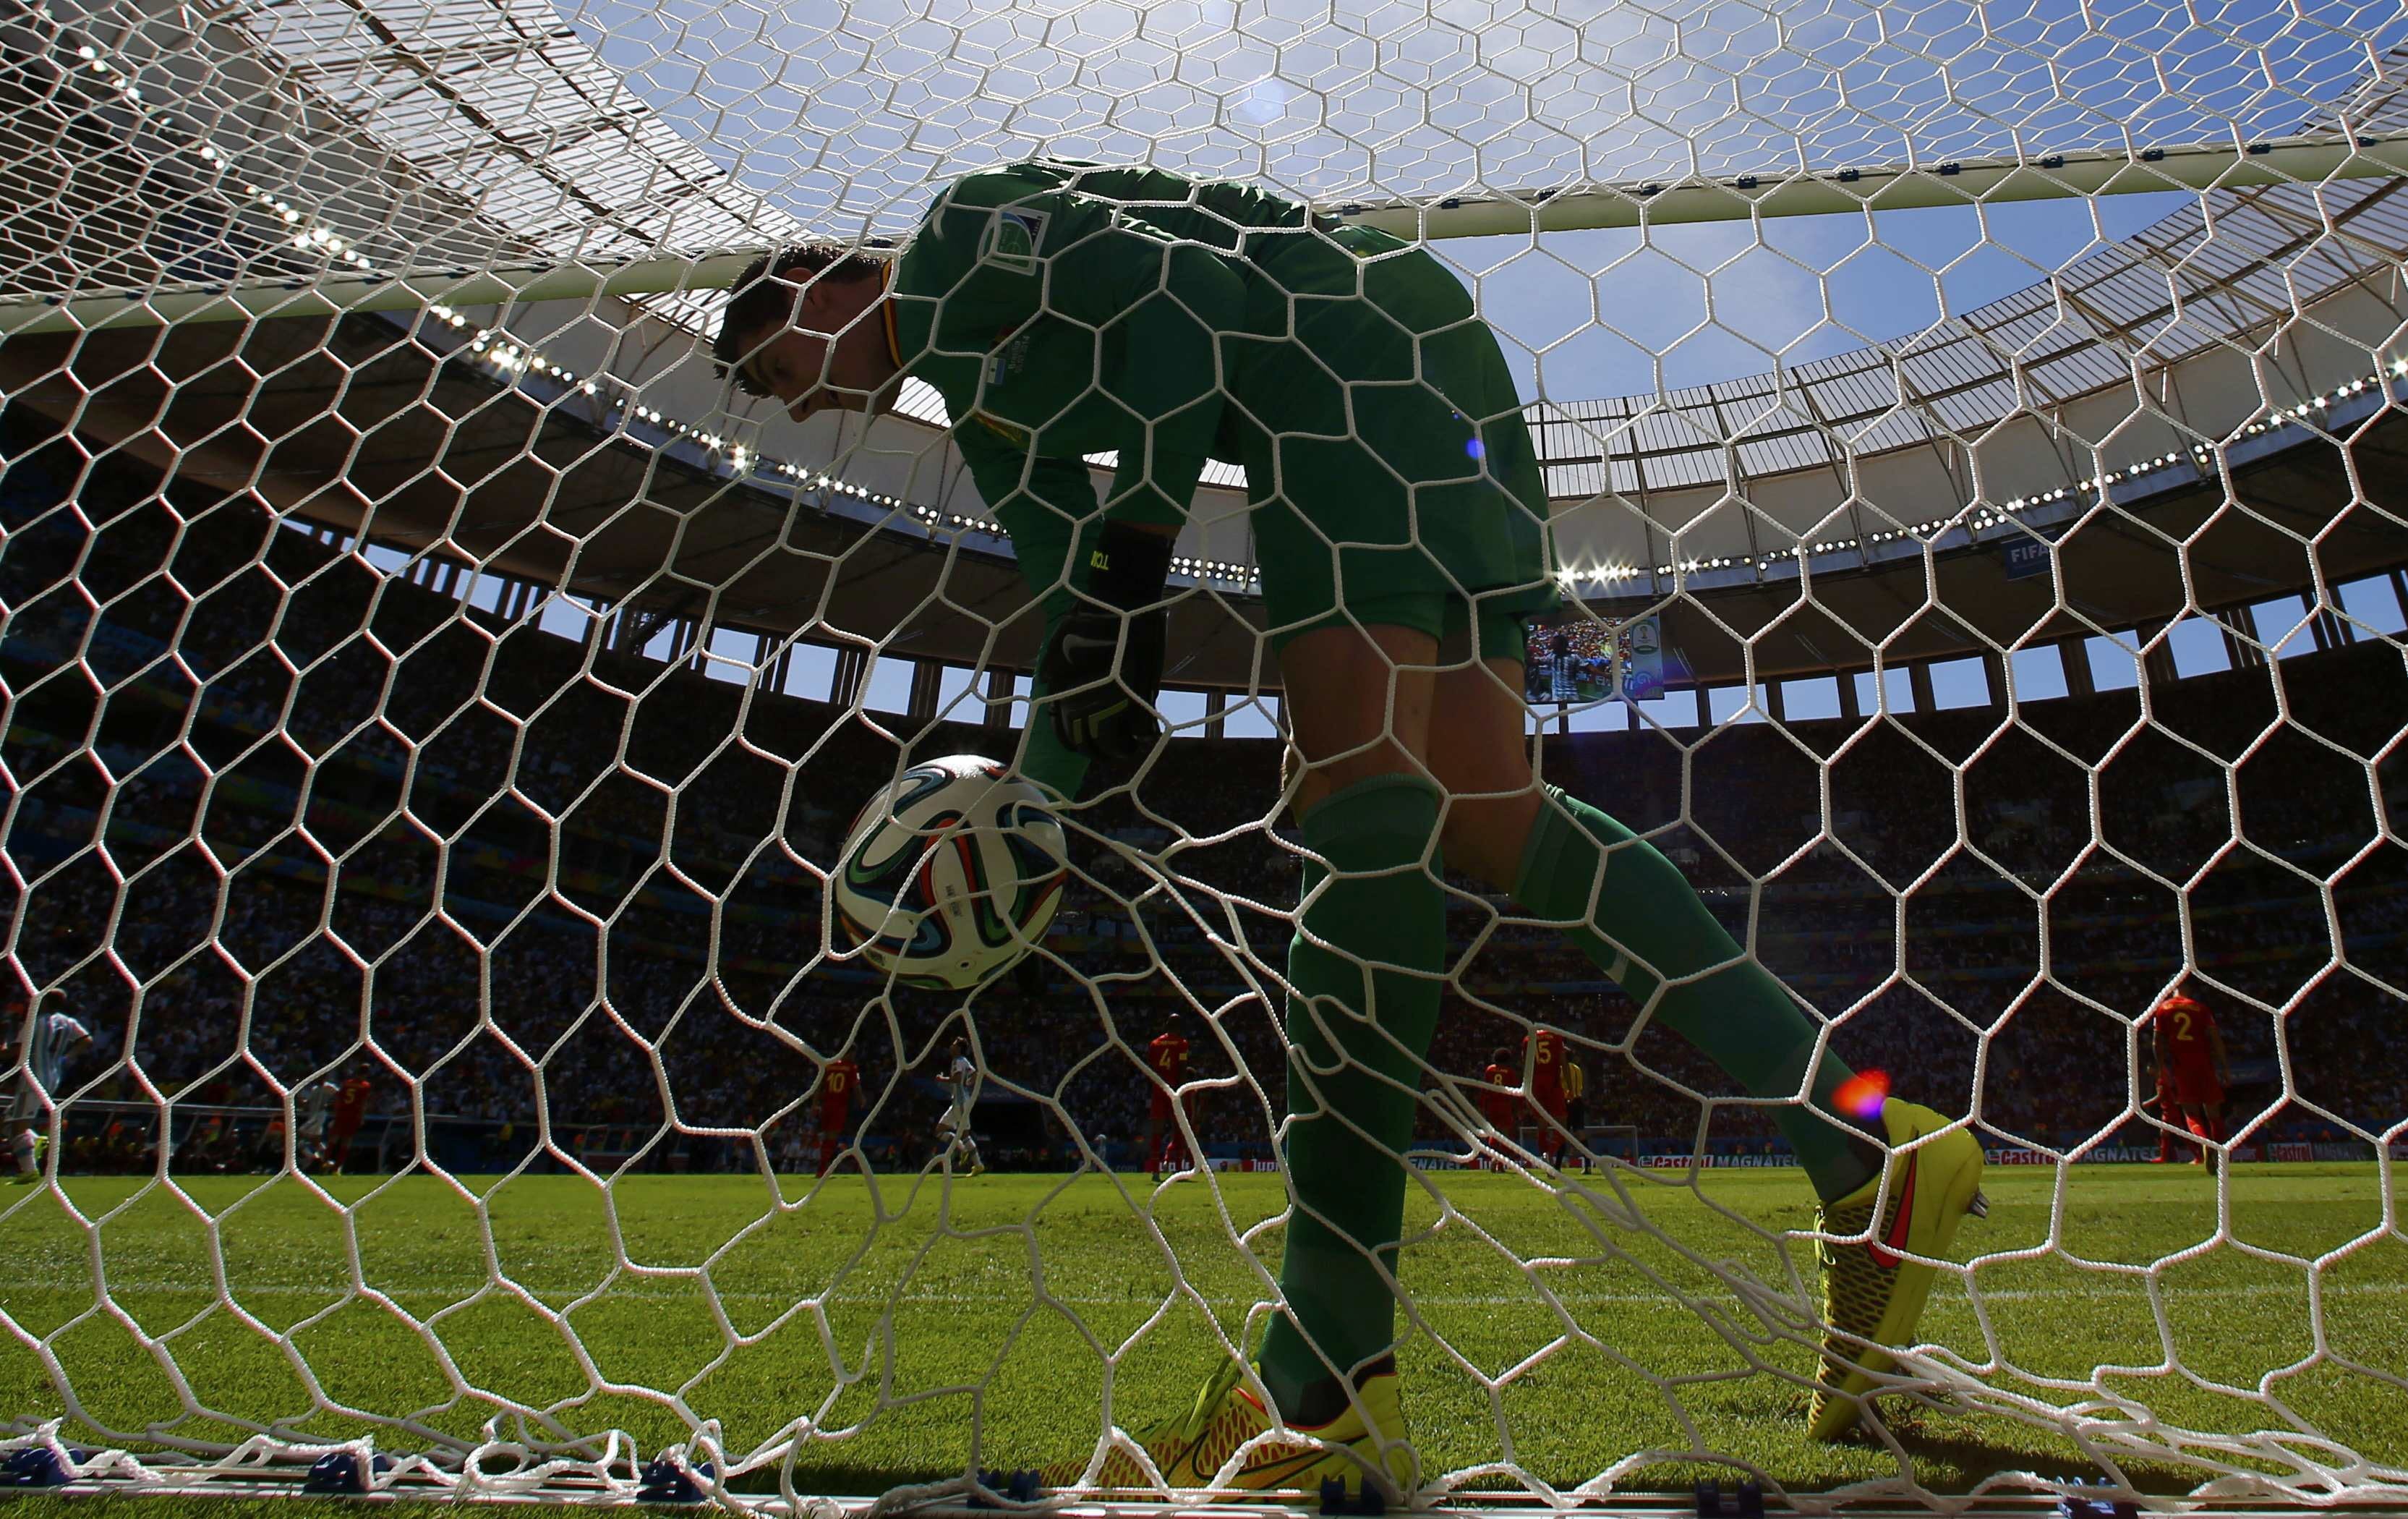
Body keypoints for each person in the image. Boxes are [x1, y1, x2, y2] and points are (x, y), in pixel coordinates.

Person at [712, 158, 1986, 1490]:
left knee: (1357, 806)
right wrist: (1035, 810)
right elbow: (1064, 590)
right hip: (1423, 379)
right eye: (759, 393)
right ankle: (1867, 1145)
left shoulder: (965, 232)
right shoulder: (979, 401)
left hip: (1337, 362)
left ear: (818, 277)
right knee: (1493, 821)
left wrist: (1138, 559)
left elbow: (1190, 305)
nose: (784, 398)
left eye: (765, 358)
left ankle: (1325, 1378)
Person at [7, 992, 89, 1183]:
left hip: (33, 1079)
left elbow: (16, 1052)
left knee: (18, 1126)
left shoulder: (34, 1022)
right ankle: (35, 1141)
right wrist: (69, 1057)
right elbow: (86, 1040)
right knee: (8, 1121)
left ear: (44, 1001)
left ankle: (29, 1171)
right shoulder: (68, 1021)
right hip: (53, 1076)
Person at [2152, 984, 2232, 1170]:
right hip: (2205, 1065)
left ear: (2173, 988)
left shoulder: (2163, 1009)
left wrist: (2162, 1067)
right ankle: (2219, 1153)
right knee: (2214, 1113)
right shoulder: (2201, 1008)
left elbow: (2158, 1042)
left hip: (2182, 1067)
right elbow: (2215, 1039)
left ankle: (2204, 1142)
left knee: (2191, 1114)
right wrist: (2225, 1067)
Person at [1145, 1026, 1191, 1181]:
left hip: (1158, 1089)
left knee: (1157, 1131)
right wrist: (1182, 1090)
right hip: (1174, 1089)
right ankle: (1178, 1170)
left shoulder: (1155, 1043)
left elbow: (1151, 1066)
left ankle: (1155, 1171)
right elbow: (1182, 1067)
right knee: (1177, 1129)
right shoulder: (1182, 1043)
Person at [935, 1036, 983, 1175]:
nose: (951, 1047)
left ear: (959, 1048)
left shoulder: (957, 1061)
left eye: (954, 1045)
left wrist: (941, 1079)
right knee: (939, 1131)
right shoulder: (964, 1061)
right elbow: (974, 1073)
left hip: (960, 1102)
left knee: (965, 1134)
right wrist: (968, 1083)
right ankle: (963, 1150)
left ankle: (978, 1165)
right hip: (957, 1101)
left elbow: (956, 1079)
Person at [1524, 1025, 1569, 1167]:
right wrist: (1569, 1087)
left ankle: (1544, 1155)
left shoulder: (1527, 1039)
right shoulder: (1556, 1036)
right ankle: (1551, 1152)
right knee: (1562, 1122)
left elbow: (1526, 1064)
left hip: (1535, 1083)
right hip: (1552, 1082)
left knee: (1541, 1123)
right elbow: (1563, 1063)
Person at [816, 1053, 861, 1178]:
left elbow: (819, 1085)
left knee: (827, 1137)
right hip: (839, 1105)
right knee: (832, 1137)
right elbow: (856, 1085)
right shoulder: (851, 1067)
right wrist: (861, 1099)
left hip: (826, 1104)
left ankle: (823, 1167)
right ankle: (822, 1169)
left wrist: (815, 1104)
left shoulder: (829, 1065)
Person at [321, 1069, 373, 1174]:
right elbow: (363, 1103)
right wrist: (362, 1117)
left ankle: (324, 1163)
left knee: (334, 1139)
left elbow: (339, 1099)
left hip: (341, 1114)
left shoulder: (347, 1083)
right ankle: (336, 1168)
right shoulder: (365, 1086)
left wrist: (336, 1113)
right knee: (346, 1141)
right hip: (353, 1115)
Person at [1477, 1047, 1519, 1171]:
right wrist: (1517, 1109)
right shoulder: (1510, 1072)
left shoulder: (1489, 1070)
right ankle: (1500, 1164)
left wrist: (1482, 1106)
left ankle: (1493, 1159)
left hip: (1491, 1105)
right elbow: (1514, 1092)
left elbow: (1485, 1089)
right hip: (1505, 1105)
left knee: (1493, 1133)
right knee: (1505, 1137)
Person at [1563, 1048, 1589, 1170]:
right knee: (1580, 1132)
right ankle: (1588, 1164)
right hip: (1579, 1101)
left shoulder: (1562, 1069)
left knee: (1562, 1133)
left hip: (1568, 1102)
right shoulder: (1577, 1069)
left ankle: (1558, 1164)